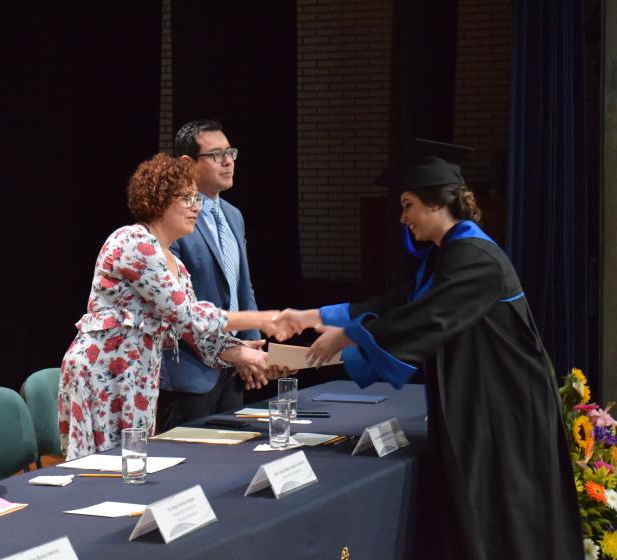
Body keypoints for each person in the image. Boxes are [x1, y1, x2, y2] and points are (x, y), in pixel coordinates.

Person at [277, 140, 583, 559]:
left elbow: (427, 319)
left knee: (505, 515)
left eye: (408, 205)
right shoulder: (449, 256)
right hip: (486, 404)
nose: (403, 218)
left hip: (507, 412)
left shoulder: (474, 257)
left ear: (437, 203)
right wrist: (316, 315)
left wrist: (346, 338)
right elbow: (400, 303)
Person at [58, 153, 292, 460]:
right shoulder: (133, 241)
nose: (196, 206)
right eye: (186, 198)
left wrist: (252, 356)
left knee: (131, 465)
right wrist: (261, 318)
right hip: (105, 370)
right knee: (100, 467)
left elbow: (196, 334)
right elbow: (189, 316)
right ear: (158, 200)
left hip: (138, 373)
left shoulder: (177, 266)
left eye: (197, 198)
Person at [156, 119, 286, 433]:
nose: (228, 161)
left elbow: (243, 290)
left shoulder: (233, 215)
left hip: (235, 370)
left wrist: (254, 351)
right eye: (216, 155)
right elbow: (180, 309)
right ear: (187, 164)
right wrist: (234, 352)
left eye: (231, 152)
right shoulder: (171, 218)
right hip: (190, 373)